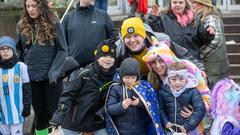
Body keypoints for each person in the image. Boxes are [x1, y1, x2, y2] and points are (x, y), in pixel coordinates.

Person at [16, 0, 67, 134]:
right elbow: (19, 51)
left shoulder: (54, 23)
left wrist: (54, 72)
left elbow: (63, 50)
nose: (31, 9)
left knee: (56, 116)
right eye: (28, 6)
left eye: (34, 5)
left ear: (42, 5)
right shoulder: (22, 25)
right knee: (39, 116)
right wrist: (21, 70)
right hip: (32, 79)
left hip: (52, 79)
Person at [142, 40, 211, 134]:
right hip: (172, 129)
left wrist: (195, 113)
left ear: (168, 59)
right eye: (153, 62)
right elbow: (162, 107)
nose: (157, 66)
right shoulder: (156, 78)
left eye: (161, 61)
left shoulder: (187, 67)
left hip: (192, 127)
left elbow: (206, 96)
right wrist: (166, 122)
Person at [50, 39, 117, 135]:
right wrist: (58, 118)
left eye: (111, 57)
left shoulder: (115, 77)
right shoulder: (84, 74)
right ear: (97, 57)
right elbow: (67, 95)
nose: (108, 59)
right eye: (104, 56)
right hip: (75, 121)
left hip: (97, 122)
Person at [116, 17, 204, 79]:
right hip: (134, 82)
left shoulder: (162, 41)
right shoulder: (118, 50)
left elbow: (183, 55)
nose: (132, 40)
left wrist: (200, 69)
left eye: (136, 36)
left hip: (162, 79)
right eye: (128, 37)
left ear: (143, 35)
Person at [105, 58, 165, 135]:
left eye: (133, 77)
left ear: (138, 76)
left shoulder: (143, 87)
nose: (130, 80)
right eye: (127, 77)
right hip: (122, 130)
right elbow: (109, 109)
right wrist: (122, 105)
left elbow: (152, 107)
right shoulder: (115, 88)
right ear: (121, 75)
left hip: (141, 129)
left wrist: (140, 103)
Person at [148, 0, 215, 60]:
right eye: (174, 2)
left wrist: (209, 33)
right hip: (172, 60)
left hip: (192, 60)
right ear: (170, 4)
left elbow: (204, 39)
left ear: (185, 3)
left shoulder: (194, 18)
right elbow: (154, 34)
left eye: (180, 2)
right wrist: (154, 18)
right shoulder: (163, 18)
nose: (177, 5)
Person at [62, 0, 115, 67]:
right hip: (74, 69)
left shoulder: (103, 15)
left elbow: (113, 37)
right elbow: (62, 43)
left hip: (99, 68)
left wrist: (106, 55)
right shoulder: (68, 18)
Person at [158, 62, 206, 134]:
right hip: (170, 129)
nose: (177, 82)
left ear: (186, 79)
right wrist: (166, 122)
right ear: (169, 80)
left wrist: (187, 126)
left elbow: (200, 110)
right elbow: (161, 109)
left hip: (188, 130)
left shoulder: (193, 91)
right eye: (173, 79)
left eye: (181, 79)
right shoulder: (163, 92)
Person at [191, 0, 229, 87]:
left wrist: (199, 55)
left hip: (213, 65)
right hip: (214, 64)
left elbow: (215, 41)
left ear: (202, 5)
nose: (192, 5)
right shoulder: (203, 17)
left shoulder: (210, 17)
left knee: (214, 92)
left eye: (194, 2)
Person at [0, 36, 32, 135]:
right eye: (2, 49)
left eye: (8, 48)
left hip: (17, 112)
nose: (5, 51)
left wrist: (27, 107)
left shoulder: (21, 67)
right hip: (2, 114)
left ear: (13, 50)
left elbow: (27, 89)